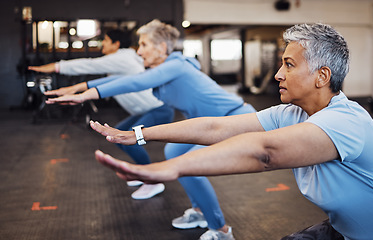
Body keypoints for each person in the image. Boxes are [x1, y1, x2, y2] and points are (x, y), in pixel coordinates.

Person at [90, 23, 373, 240]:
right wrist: (142, 135)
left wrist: (165, 169)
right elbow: (215, 126)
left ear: (322, 76)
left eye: (288, 65)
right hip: (346, 231)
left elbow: (265, 153)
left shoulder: (347, 121)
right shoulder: (290, 113)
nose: (278, 74)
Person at [45, 19, 257, 240]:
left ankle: (221, 230)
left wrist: (85, 95)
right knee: (173, 152)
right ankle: (200, 211)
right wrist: (79, 87)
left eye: (144, 45)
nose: (139, 51)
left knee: (190, 164)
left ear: (162, 48)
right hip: (206, 125)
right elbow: (127, 79)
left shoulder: (177, 65)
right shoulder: (163, 70)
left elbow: (136, 83)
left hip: (235, 118)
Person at [29, 29, 174, 200]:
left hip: (157, 109)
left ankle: (152, 180)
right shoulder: (121, 60)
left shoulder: (121, 58)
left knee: (130, 139)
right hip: (146, 110)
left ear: (116, 44)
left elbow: (89, 64)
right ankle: (144, 173)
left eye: (105, 40)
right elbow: (104, 81)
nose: (102, 44)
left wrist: (56, 67)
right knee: (120, 134)